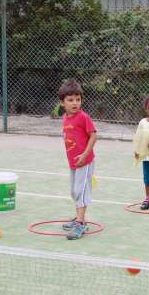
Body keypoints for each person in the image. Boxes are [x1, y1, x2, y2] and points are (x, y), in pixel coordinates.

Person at [58, 79, 97, 240]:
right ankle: (78, 219)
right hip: (73, 162)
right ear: (62, 103)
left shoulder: (83, 117)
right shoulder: (65, 118)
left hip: (85, 161)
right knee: (74, 191)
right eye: (70, 100)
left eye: (78, 99)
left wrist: (85, 154)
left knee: (80, 191)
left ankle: (80, 223)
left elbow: (94, 135)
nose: (75, 103)